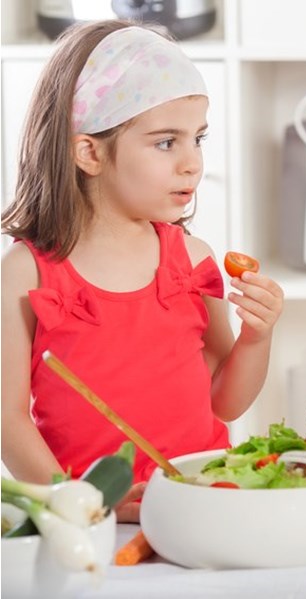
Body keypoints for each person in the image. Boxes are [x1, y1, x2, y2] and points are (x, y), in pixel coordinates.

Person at [1, 21, 284, 522]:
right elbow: (7, 420)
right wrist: (81, 505)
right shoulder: (27, 273)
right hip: (93, 526)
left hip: (201, 505)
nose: (192, 163)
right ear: (89, 152)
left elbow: (225, 402)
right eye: (165, 143)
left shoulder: (193, 259)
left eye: (197, 138)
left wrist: (257, 338)